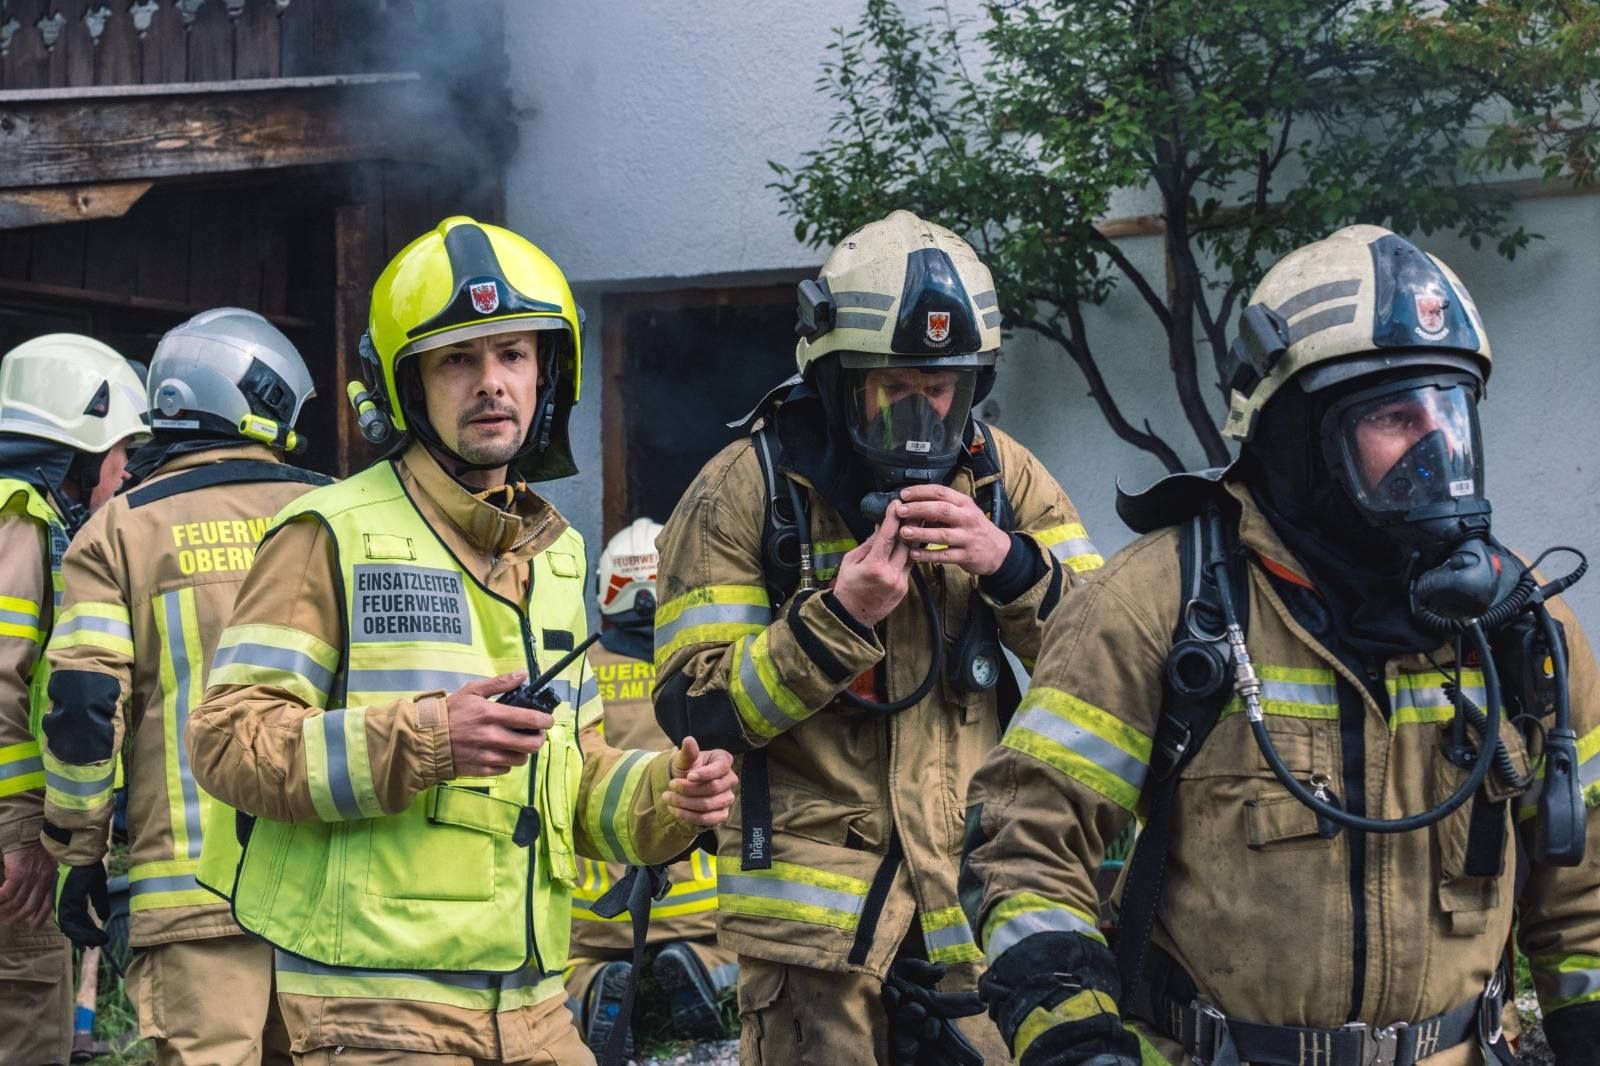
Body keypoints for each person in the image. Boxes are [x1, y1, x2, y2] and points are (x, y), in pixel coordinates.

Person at [960, 224, 1600, 1065]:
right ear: (1299, 436)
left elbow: (1586, 892)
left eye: (1449, 410)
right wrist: (1078, 1044)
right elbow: (1024, 851)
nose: (1437, 447)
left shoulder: (1516, 625)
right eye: (1395, 416)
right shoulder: (1158, 604)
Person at [186, 216, 738, 1065]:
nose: (491, 383)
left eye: (513, 354)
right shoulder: (328, 533)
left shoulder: (559, 555)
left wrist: (669, 796)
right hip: (374, 1010)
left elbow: (576, 777)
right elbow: (228, 743)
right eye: (457, 360)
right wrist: (428, 738)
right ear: (406, 385)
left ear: (548, 372)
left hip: (533, 1003)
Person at [653, 209, 1099, 1064]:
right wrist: (836, 619)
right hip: (815, 957)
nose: (923, 414)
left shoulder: (1006, 479)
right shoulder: (742, 492)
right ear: (834, 379)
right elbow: (695, 712)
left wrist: (1009, 565)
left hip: (971, 925)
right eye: (894, 388)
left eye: (943, 388)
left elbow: (1110, 664)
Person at [38, 309, 329, 1065]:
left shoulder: (119, 530)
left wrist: (79, 853)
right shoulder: (337, 514)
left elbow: (83, 710)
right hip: (332, 886)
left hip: (192, 893)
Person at [0, 334, 148, 1066]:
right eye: (120, 454)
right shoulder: (22, 523)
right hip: (10, 847)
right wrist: (24, 834)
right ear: (78, 454)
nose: (125, 474)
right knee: (27, 1028)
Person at [565, 518, 738, 1054]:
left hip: (594, 912)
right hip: (698, 905)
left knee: (565, 964)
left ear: (605, 592)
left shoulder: (579, 675)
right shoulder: (709, 670)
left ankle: (592, 988)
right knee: (744, 950)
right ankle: (705, 968)